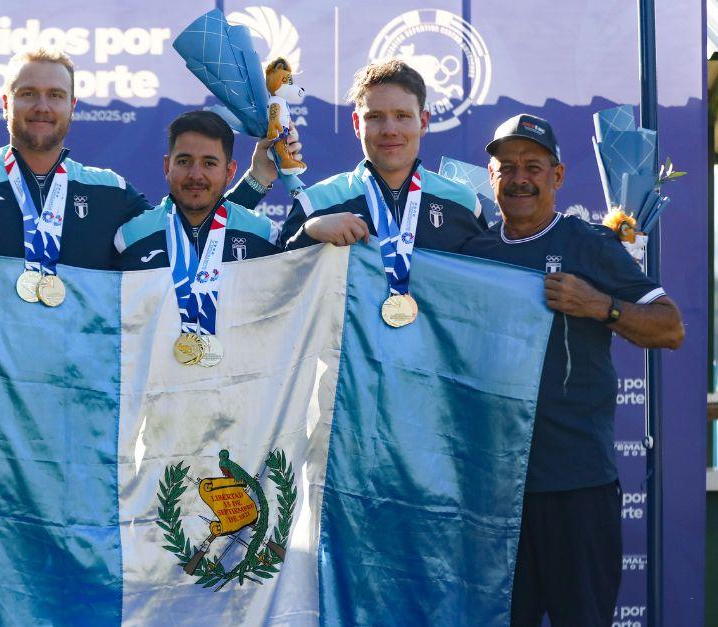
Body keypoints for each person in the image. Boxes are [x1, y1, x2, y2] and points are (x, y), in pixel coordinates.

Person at [461, 114, 685, 627]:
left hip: (576, 489)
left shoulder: (589, 245)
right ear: (489, 177)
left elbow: (670, 327)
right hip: (494, 495)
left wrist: (600, 305)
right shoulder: (473, 254)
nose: (520, 178)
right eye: (506, 167)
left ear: (557, 177)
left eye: (533, 167)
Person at [0, 47, 292, 284]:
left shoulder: (109, 193)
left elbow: (190, 227)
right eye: (28, 93)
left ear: (72, 106)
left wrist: (257, 180)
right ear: (6, 103)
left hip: (84, 407)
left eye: (54, 95)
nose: (41, 106)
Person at [277, 58, 484, 252]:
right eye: (375, 117)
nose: (389, 130)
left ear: (423, 122)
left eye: (402, 116)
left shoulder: (464, 204)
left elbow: (485, 285)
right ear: (357, 124)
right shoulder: (315, 204)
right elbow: (277, 282)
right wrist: (308, 234)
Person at [114, 111, 280, 270]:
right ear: (167, 167)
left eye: (209, 163)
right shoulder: (130, 238)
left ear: (229, 172)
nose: (195, 175)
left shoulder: (264, 235)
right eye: (184, 162)